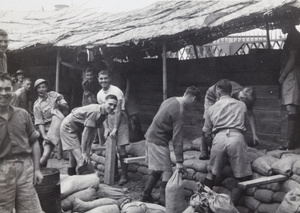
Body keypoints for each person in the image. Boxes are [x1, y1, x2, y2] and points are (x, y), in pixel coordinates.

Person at [141, 86, 201, 205]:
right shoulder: (180, 111)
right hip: (158, 139)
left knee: (159, 169)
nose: (192, 107)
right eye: (194, 104)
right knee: (167, 170)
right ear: (193, 99)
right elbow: (177, 138)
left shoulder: (170, 100)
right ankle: (164, 200)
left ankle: (146, 195)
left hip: (151, 136)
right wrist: (179, 161)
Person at [202, 79, 252, 205]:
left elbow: (206, 133)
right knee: (242, 177)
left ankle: (201, 204)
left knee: (211, 174)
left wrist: (212, 146)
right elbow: (245, 127)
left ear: (218, 92)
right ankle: (230, 206)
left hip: (219, 138)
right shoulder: (242, 105)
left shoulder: (212, 108)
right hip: (237, 137)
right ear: (231, 91)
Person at [0, 73, 43, 212]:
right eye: (0, 89)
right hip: (2, 170)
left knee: (31, 209)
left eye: (7, 89)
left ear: (12, 90)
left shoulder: (22, 114)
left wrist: (37, 169)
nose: (3, 93)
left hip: (25, 168)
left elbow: (34, 142)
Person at [199, 80, 258, 160]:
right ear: (241, 97)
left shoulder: (246, 98)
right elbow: (218, 108)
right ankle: (204, 151)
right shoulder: (231, 93)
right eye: (242, 101)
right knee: (208, 120)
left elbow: (250, 115)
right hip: (212, 95)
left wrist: (254, 134)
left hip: (221, 95)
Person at [60, 94, 118, 175]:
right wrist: (84, 152)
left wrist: (88, 149)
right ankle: (84, 183)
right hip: (68, 127)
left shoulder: (104, 113)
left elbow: (92, 132)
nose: (112, 107)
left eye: (115, 106)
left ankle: (71, 179)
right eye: (110, 104)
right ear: (104, 102)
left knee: (73, 158)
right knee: (82, 160)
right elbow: (86, 133)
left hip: (77, 128)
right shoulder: (95, 112)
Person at [97, 70, 130, 185]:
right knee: (111, 148)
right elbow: (103, 114)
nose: (103, 81)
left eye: (105, 78)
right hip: (108, 119)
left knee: (121, 148)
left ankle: (124, 175)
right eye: (101, 78)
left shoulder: (117, 91)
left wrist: (115, 128)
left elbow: (119, 111)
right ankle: (114, 173)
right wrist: (106, 128)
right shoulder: (100, 94)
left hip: (120, 119)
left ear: (109, 78)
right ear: (98, 79)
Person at [33, 79, 69, 167]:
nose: (42, 89)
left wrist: (58, 105)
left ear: (47, 87)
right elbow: (39, 122)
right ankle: (39, 171)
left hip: (61, 124)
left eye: (43, 87)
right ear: (36, 90)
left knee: (70, 149)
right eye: (39, 88)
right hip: (49, 130)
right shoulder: (37, 105)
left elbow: (66, 107)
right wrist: (44, 135)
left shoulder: (54, 95)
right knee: (44, 155)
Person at [278, 18, 300, 150]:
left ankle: (290, 142)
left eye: (282, 23)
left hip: (291, 73)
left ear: (289, 22)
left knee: (291, 107)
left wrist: (283, 75)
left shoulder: (293, 37)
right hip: (294, 72)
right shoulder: (294, 36)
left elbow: (293, 59)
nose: (280, 27)